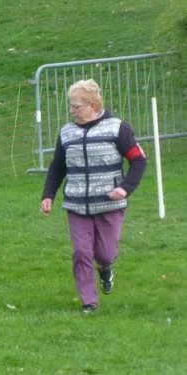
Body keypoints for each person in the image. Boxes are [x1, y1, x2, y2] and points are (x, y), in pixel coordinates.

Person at [40, 79, 147, 314]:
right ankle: (89, 302)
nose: (72, 110)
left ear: (92, 105)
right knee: (81, 252)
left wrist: (125, 188)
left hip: (110, 204)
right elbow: (57, 167)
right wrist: (48, 195)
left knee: (105, 254)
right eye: (70, 105)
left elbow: (138, 160)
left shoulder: (117, 128)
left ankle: (106, 268)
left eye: (76, 106)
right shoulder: (66, 133)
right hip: (76, 205)